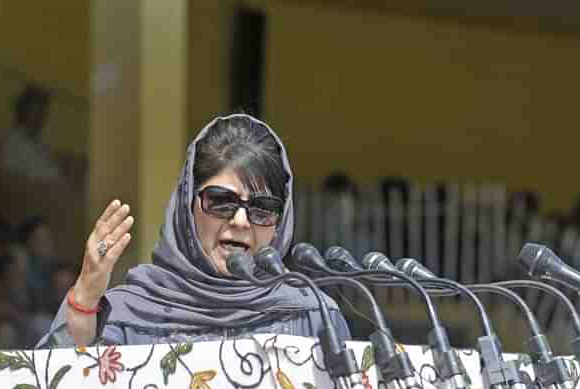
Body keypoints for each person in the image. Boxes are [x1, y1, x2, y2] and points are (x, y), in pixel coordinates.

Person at [38, 114, 350, 348]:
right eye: (221, 201)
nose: (241, 221)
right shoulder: (124, 315)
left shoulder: (314, 316)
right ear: (186, 208)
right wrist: (86, 296)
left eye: (262, 208)